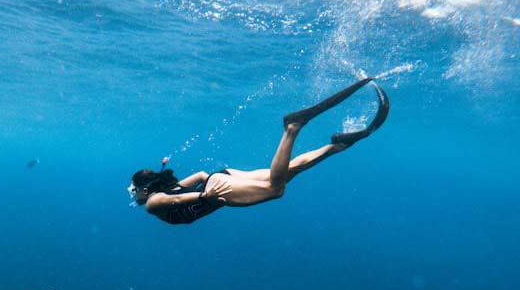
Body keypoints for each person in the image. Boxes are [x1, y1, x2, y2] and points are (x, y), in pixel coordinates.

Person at [129, 77, 389, 226]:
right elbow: (198, 176)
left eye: (133, 191)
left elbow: (175, 201)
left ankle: (292, 128)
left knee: (276, 189)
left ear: (144, 190)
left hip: (217, 188)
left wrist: (206, 196)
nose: (134, 197)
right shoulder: (164, 190)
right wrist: (205, 188)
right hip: (220, 178)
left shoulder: (153, 203)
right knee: (286, 172)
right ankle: (337, 145)